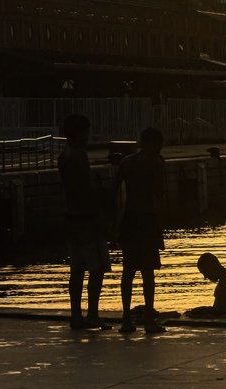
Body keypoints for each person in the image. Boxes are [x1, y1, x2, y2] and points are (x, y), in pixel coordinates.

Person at [58, 113, 111, 330]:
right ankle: (93, 314)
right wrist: (101, 218)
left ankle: (76, 315)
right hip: (87, 220)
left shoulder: (63, 156)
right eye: (87, 132)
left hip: (71, 219)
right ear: (80, 133)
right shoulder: (79, 155)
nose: (88, 136)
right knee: (96, 268)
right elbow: (86, 191)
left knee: (77, 269)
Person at [114, 127, 167, 334]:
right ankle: (148, 321)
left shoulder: (126, 163)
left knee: (128, 271)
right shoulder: (154, 163)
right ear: (152, 144)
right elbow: (159, 192)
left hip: (129, 218)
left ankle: (126, 318)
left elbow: (114, 190)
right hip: (147, 218)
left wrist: (115, 223)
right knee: (147, 272)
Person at [188, 253, 226, 318]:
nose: (205, 277)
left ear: (212, 267)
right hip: (222, 318)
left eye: (205, 272)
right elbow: (217, 309)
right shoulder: (220, 284)